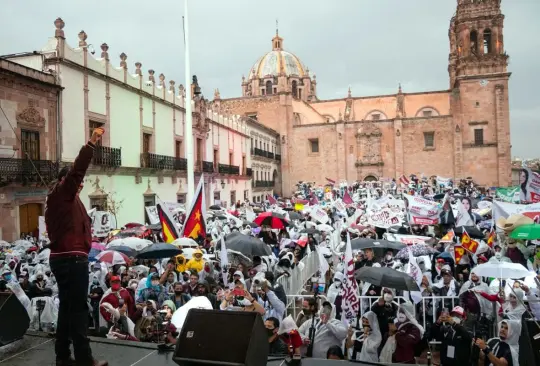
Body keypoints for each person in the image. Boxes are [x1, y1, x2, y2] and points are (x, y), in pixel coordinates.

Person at [45, 127, 107, 366]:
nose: (80, 185)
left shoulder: (67, 200)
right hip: (71, 260)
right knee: (79, 310)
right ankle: (84, 358)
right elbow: (77, 171)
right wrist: (91, 143)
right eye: (76, 183)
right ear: (65, 180)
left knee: (67, 310)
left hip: (68, 258)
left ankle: (62, 356)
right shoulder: (63, 193)